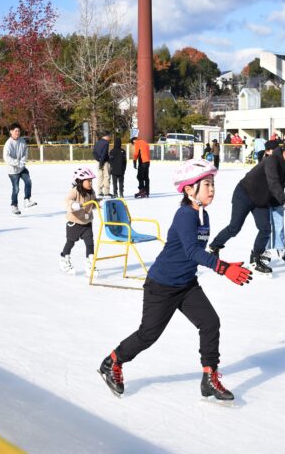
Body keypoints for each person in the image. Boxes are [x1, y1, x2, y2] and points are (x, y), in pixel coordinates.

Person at [98, 159, 252, 402]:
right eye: (207, 184)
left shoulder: (203, 215)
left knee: (210, 322)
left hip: (186, 284)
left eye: (213, 184)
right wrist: (223, 268)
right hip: (162, 285)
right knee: (148, 335)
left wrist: (225, 264)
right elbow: (191, 251)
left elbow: (196, 252)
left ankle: (209, 378)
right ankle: (112, 362)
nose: (212, 189)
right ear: (190, 190)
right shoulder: (184, 215)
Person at [208, 140, 285, 276]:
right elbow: (273, 183)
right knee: (234, 227)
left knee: (265, 229)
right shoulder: (271, 161)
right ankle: (214, 247)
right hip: (244, 194)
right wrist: (284, 200)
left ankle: (255, 259)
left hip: (261, 199)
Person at [59, 168, 99, 277]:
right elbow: (67, 201)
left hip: (87, 223)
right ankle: (64, 259)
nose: (90, 183)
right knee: (70, 242)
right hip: (74, 223)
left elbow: (93, 203)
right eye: (88, 181)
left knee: (90, 243)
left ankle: (90, 264)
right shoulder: (75, 191)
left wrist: (98, 203)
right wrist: (73, 205)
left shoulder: (92, 192)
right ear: (80, 181)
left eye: (91, 180)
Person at [263, 139, 285, 262]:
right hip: (265, 200)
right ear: (268, 152)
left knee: (279, 225)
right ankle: (265, 250)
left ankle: (280, 248)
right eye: (275, 150)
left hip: (278, 198)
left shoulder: (282, 163)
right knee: (266, 226)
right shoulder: (263, 163)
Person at [3, 123, 37, 215]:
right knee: (16, 189)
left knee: (28, 181)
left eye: (18, 131)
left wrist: (22, 162)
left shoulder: (22, 141)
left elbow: (25, 153)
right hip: (12, 170)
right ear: (11, 132)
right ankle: (14, 206)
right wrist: (17, 163)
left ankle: (27, 200)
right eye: (15, 131)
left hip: (22, 168)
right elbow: (6, 157)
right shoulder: (8, 143)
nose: (17, 133)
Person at [93, 133, 112, 198]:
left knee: (100, 176)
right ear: (106, 136)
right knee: (106, 176)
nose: (110, 138)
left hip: (98, 161)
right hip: (105, 162)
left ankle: (99, 191)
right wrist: (101, 162)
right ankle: (106, 192)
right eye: (109, 136)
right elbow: (104, 153)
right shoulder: (106, 143)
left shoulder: (97, 142)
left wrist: (98, 160)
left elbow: (94, 153)